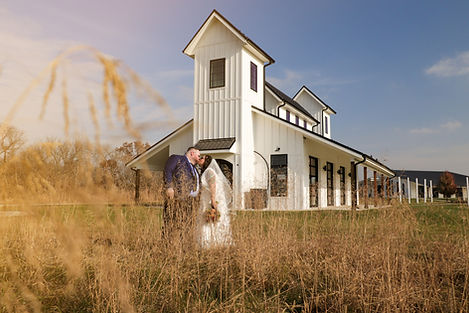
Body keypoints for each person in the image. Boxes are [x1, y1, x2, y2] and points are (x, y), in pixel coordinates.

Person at [163, 147, 201, 241]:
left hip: (191, 201)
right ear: (192, 153)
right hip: (177, 198)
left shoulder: (195, 168)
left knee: (187, 224)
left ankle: (184, 244)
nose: (200, 157)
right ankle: (167, 244)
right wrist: (169, 187)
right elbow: (168, 171)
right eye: (198, 155)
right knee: (171, 223)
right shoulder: (177, 159)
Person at [196, 155, 232, 248]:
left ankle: (209, 243)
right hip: (207, 199)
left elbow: (213, 185)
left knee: (210, 220)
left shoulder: (209, 171)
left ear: (207, 161)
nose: (199, 159)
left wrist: (212, 199)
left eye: (202, 158)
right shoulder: (207, 171)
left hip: (211, 200)